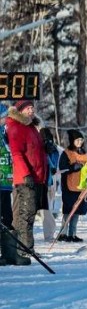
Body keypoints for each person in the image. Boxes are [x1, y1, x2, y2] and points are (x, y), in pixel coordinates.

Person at [4, 99, 47, 265]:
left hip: (36, 177)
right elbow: (17, 153)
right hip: (25, 178)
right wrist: (25, 174)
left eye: (32, 108)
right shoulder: (16, 126)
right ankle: (24, 250)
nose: (31, 111)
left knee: (30, 214)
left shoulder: (30, 126)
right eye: (28, 108)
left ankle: (27, 247)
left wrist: (47, 147)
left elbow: (35, 151)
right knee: (25, 214)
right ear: (20, 110)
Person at [58, 129, 87, 243]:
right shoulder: (66, 153)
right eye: (77, 140)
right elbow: (62, 168)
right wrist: (73, 167)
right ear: (72, 140)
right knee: (68, 211)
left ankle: (72, 234)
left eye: (81, 139)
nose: (80, 142)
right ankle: (63, 234)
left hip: (81, 186)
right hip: (69, 186)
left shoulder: (84, 152)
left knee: (77, 211)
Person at [0, 105, 17, 265]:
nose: (6, 120)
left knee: (7, 218)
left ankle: (8, 253)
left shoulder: (7, 134)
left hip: (6, 183)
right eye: (4, 116)